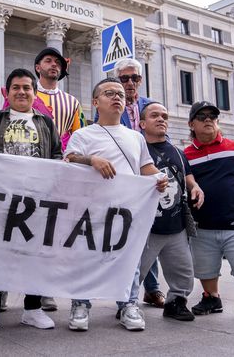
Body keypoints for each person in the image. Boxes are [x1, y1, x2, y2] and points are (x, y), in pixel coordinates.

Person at [64, 78, 168, 332]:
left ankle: (128, 304)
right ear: (95, 102)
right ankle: (80, 304)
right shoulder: (83, 134)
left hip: (126, 210)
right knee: (86, 257)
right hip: (91, 209)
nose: (117, 98)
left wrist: (159, 178)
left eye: (120, 94)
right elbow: (69, 160)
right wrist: (92, 160)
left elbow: (145, 167)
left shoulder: (135, 137)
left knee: (128, 260)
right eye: (109, 93)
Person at [0, 68, 61, 333]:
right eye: (16, 88)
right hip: (1, 200)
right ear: (7, 93)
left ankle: (32, 308)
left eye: (27, 88)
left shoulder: (46, 123)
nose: (21, 92)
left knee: (35, 255)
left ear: (34, 93)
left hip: (36, 202)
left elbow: (57, 155)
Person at [183, 101, 234, 323]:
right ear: (192, 124)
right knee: (205, 268)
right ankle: (212, 298)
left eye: (212, 116)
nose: (208, 119)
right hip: (204, 225)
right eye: (202, 117)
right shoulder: (186, 155)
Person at [96, 58, 163, 308]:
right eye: (124, 78)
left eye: (135, 78)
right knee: (125, 237)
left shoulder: (151, 106)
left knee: (148, 232)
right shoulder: (111, 104)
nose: (130, 83)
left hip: (146, 175)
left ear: (141, 80)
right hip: (121, 180)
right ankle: (122, 294)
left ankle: (152, 288)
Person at [138, 101, 204, 321]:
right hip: (146, 226)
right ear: (142, 123)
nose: (161, 119)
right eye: (155, 115)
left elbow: (187, 176)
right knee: (135, 271)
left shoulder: (176, 150)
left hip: (176, 225)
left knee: (184, 272)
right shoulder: (136, 148)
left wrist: (195, 187)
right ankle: (125, 304)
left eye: (164, 116)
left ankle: (176, 303)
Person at [33, 47, 85, 312]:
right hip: (29, 169)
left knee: (50, 233)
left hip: (58, 172)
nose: (54, 65)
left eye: (57, 62)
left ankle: (45, 290)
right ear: (38, 67)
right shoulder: (24, 92)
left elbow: (78, 136)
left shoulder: (72, 102)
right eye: (48, 61)